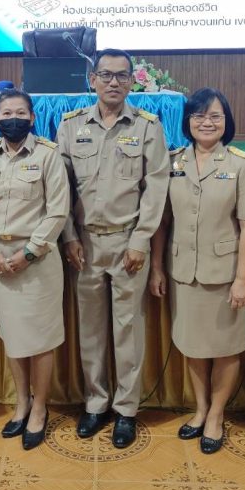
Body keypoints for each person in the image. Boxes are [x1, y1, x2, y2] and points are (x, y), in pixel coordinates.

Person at [56, 48, 170, 448]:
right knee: (90, 329)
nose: (113, 82)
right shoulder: (71, 125)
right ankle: (95, 402)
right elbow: (60, 188)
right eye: (105, 74)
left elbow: (156, 187)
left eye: (122, 75)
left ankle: (126, 410)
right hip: (84, 244)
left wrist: (140, 240)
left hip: (128, 244)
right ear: (93, 80)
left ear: (131, 82)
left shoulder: (147, 127)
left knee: (128, 329)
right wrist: (69, 236)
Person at [149, 88, 245, 454]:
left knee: (226, 349)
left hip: (225, 274)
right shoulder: (174, 161)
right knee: (194, 346)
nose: (207, 122)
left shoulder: (241, 164)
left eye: (215, 116)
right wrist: (157, 268)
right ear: (188, 121)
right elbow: (162, 222)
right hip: (183, 272)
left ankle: (216, 415)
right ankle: (200, 409)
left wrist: (243, 279)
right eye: (199, 115)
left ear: (226, 121)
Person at [0, 89, 71, 450]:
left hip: (37, 260)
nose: (14, 119)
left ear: (32, 117)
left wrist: (29, 253)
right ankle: (22, 403)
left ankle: (40, 408)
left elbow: (58, 211)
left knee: (40, 340)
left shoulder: (48, 155)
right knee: (13, 337)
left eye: (21, 113)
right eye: (7, 113)